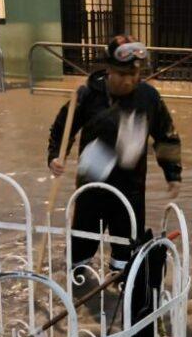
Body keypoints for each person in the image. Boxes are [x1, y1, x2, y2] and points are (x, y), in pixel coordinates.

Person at [47, 35, 182, 271]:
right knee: (80, 254)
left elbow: (166, 136)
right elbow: (61, 129)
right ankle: (78, 292)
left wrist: (173, 174)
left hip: (130, 190)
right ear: (109, 70)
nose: (129, 81)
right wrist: (56, 157)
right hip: (92, 188)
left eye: (133, 75)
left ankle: (120, 297)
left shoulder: (148, 98)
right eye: (122, 75)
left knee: (126, 259)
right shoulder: (87, 96)